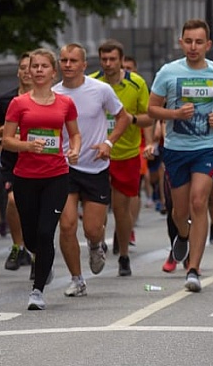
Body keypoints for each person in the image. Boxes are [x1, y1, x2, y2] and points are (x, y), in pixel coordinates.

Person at [148, 19, 213, 292]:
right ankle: (182, 237)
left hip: (207, 147)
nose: (193, 47)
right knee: (179, 210)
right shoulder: (168, 72)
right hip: (175, 149)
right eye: (189, 41)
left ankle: (193, 269)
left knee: (199, 202)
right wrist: (174, 114)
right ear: (181, 42)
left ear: (208, 44)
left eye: (199, 42)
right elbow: (152, 109)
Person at [2, 48, 81, 310]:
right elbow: (7, 140)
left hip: (56, 175)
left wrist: (75, 148)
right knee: (31, 238)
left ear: (52, 71)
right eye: (34, 66)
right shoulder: (19, 103)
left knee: (47, 232)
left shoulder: (65, 103)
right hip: (25, 177)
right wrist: (26, 146)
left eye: (43, 66)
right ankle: (43, 256)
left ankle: (37, 290)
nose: (37, 70)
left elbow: (75, 134)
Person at [54, 44, 131, 296]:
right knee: (66, 225)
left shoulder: (100, 90)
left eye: (73, 60)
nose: (67, 65)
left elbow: (124, 117)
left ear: (84, 65)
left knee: (91, 228)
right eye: (63, 60)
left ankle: (96, 245)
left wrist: (109, 143)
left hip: (95, 166)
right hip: (64, 167)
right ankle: (77, 279)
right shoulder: (53, 93)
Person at [90, 40, 154, 276]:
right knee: (96, 207)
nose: (108, 64)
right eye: (104, 59)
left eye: (112, 59)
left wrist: (131, 121)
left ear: (121, 60)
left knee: (120, 208)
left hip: (126, 153)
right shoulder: (93, 82)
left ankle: (124, 254)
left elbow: (149, 116)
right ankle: (98, 241)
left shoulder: (136, 83)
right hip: (96, 154)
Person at [0, 53, 35, 272]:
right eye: (23, 68)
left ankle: (35, 251)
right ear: (17, 72)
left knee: (35, 209)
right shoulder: (5, 100)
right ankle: (18, 246)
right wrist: (9, 129)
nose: (27, 72)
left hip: (38, 159)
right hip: (12, 160)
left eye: (31, 67)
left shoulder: (47, 99)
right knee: (12, 202)